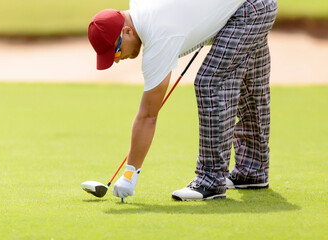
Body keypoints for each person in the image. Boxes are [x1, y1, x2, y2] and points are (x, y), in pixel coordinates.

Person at [88, 0, 278, 201]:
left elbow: (148, 115)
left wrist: (129, 175)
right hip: (256, 5)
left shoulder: (157, 35)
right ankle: (252, 170)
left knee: (210, 82)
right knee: (251, 84)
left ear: (127, 32)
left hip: (249, 9)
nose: (116, 59)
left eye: (115, 51)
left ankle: (211, 180)